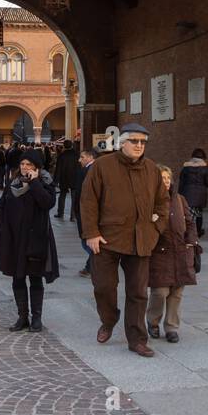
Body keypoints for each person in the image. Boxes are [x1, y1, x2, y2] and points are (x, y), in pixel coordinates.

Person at [80, 121, 169, 357]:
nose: (139, 146)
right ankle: (108, 320)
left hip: (141, 239)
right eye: (134, 141)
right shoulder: (102, 166)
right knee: (104, 287)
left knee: (139, 292)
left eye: (143, 142)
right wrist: (91, 233)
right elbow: (88, 201)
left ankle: (137, 339)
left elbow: (163, 201)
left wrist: (157, 228)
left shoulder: (151, 169)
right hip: (106, 239)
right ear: (122, 143)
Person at [0, 150, 59, 331]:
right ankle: (22, 317)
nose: (24, 167)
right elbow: (1, 205)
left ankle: (36, 318)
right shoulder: (13, 183)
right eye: (22, 164)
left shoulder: (45, 183)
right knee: (18, 277)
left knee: (35, 278)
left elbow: (47, 203)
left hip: (35, 237)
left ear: (37, 167)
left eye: (29, 164)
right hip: (14, 237)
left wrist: (35, 181)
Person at [147, 165, 198, 343]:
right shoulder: (150, 200)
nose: (166, 182)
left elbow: (191, 222)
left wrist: (191, 240)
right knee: (160, 291)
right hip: (160, 253)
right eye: (162, 178)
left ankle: (171, 327)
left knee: (177, 292)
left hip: (181, 252)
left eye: (168, 178)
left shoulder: (179, 199)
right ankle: (153, 321)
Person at [177, 147, 208, 238]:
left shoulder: (185, 168)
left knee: (187, 215)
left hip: (187, 195)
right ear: (203, 157)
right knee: (199, 215)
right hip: (200, 196)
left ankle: (188, 232)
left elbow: (181, 182)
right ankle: (197, 232)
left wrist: (179, 195)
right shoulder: (205, 168)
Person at [73, 147, 97, 276]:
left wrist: (77, 210)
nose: (79, 160)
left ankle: (95, 265)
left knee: (86, 241)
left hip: (85, 211)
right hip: (86, 211)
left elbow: (82, 193)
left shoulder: (88, 171)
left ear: (90, 157)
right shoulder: (92, 169)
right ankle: (90, 267)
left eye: (82, 157)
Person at [55, 140, 79, 219]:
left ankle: (60, 213)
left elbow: (58, 169)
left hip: (63, 178)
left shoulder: (61, 155)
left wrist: (56, 181)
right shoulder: (76, 155)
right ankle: (73, 215)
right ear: (72, 145)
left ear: (64, 146)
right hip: (75, 178)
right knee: (74, 197)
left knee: (62, 196)